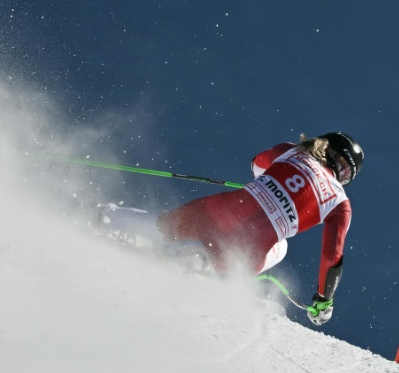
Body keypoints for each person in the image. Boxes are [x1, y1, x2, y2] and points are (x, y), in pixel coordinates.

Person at [97, 132, 364, 326]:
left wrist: (274, 181)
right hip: (246, 249)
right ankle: (206, 267)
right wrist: (323, 302)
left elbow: (257, 165)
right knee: (280, 246)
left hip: (215, 210)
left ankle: (104, 217)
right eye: (343, 171)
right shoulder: (340, 203)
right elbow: (333, 256)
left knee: (161, 227)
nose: (339, 174)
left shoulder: (292, 150)